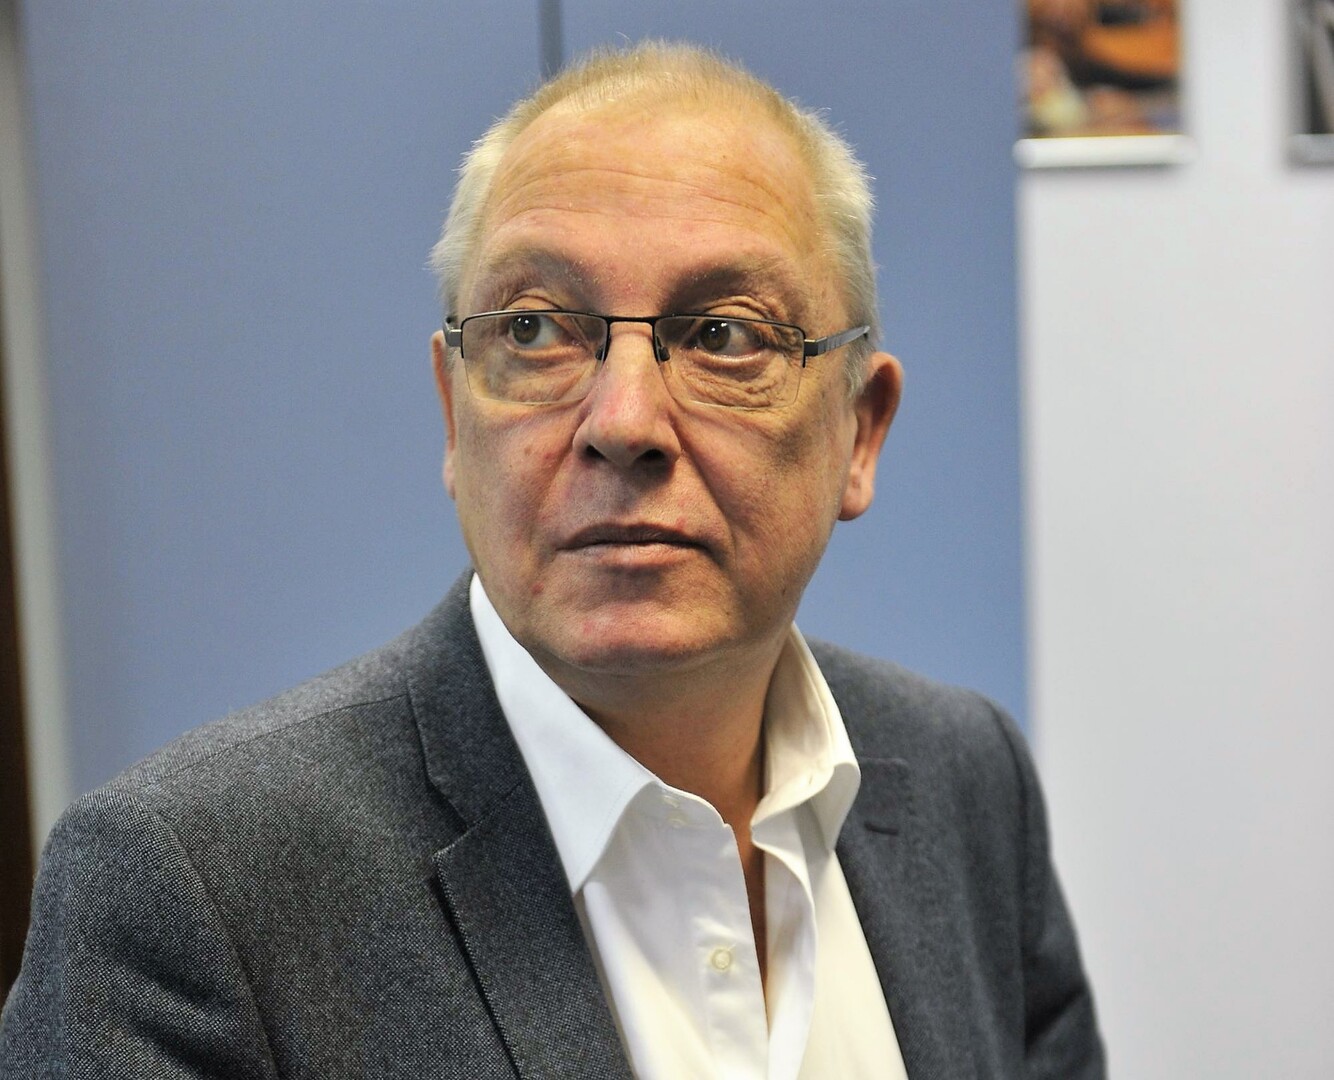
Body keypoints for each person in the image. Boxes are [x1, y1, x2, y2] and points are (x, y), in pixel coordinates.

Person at [0, 42, 1104, 1079]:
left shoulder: (965, 779)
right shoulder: (191, 891)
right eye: (534, 330)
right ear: (453, 413)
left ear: (859, 431)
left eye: (723, 334)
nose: (623, 422)